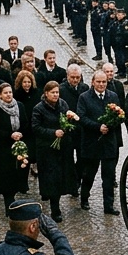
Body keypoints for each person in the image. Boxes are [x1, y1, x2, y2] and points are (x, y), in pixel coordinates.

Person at [75, 70, 122, 215]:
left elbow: (120, 115)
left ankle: (108, 206)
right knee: (89, 174)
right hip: (92, 143)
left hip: (108, 143)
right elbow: (81, 117)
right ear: (93, 82)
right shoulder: (84, 97)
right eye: (99, 82)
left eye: (104, 82)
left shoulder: (112, 96)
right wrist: (97, 127)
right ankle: (84, 198)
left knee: (108, 176)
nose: (101, 84)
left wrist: (111, 125)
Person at [33, 82, 79, 221]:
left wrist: (69, 125)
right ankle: (55, 209)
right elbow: (36, 128)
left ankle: (65, 193)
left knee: (62, 177)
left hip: (63, 148)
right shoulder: (39, 109)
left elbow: (67, 120)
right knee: (52, 180)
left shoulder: (63, 104)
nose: (55, 95)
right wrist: (53, 133)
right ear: (46, 93)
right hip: (48, 149)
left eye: (57, 92)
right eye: (52, 92)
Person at [0, 82, 31, 207]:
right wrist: (9, 134)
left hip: (18, 144)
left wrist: (20, 134)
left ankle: (15, 196)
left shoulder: (19, 106)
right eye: (5, 93)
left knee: (17, 173)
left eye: (10, 92)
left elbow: (25, 123)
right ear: (0, 95)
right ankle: (9, 202)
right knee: (6, 176)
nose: (8, 95)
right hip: (2, 147)